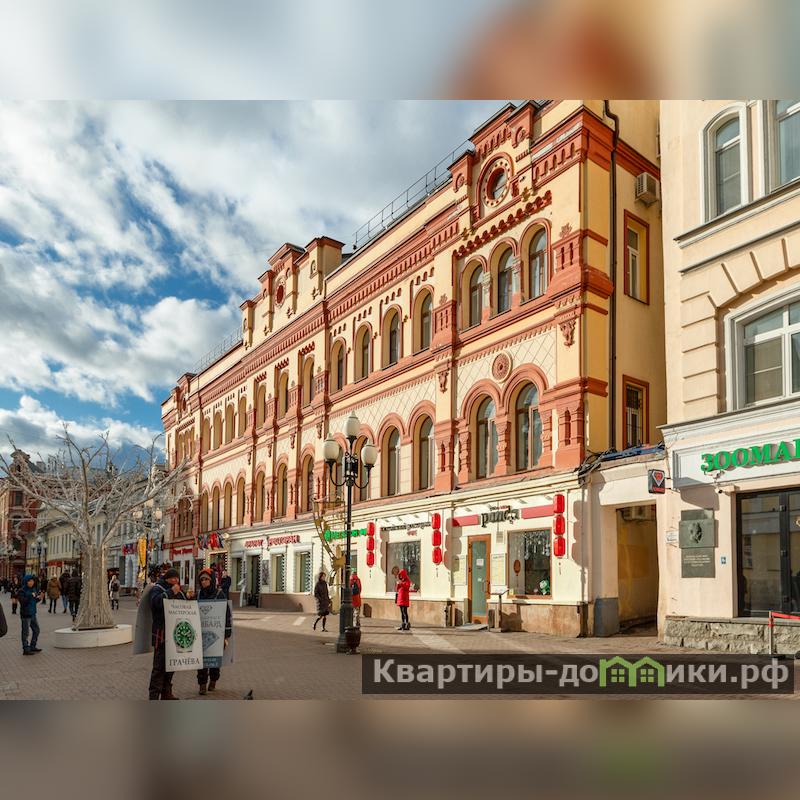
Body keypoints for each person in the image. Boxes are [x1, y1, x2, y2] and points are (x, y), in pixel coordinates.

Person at [148, 567, 186, 700]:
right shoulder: (157, 588)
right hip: (161, 633)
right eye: (173, 578)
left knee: (171, 665)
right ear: (167, 579)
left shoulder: (177, 590)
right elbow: (155, 603)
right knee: (159, 667)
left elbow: (184, 605)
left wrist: (189, 597)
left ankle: (166, 693)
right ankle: (153, 697)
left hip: (174, 632)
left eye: (177, 578)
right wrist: (170, 592)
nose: (176, 580)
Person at [195, 568, 232, 695]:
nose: (204, 582)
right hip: (201, 633)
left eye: (206, 579)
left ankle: (213, 681)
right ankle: (202, 684)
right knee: (201, 661)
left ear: (211, 580)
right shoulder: (198, 594)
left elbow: (226, 613)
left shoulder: (219, 594)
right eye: (202, 580)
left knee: (215, 661)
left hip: (217, 633)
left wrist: (227, 633)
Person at [19, 573, 42, 655]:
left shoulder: (33, 589)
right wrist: (30, 596)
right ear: (26, 581)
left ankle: (32, 646)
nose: (31, 582)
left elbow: (34, 601)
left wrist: (38, 599)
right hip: (25, 614)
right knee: (25, 632)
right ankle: (26, 648)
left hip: (33, 614)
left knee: (37, 630)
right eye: (29, 581)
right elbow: (23, 602)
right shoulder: (22, 591)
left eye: (32, 581)